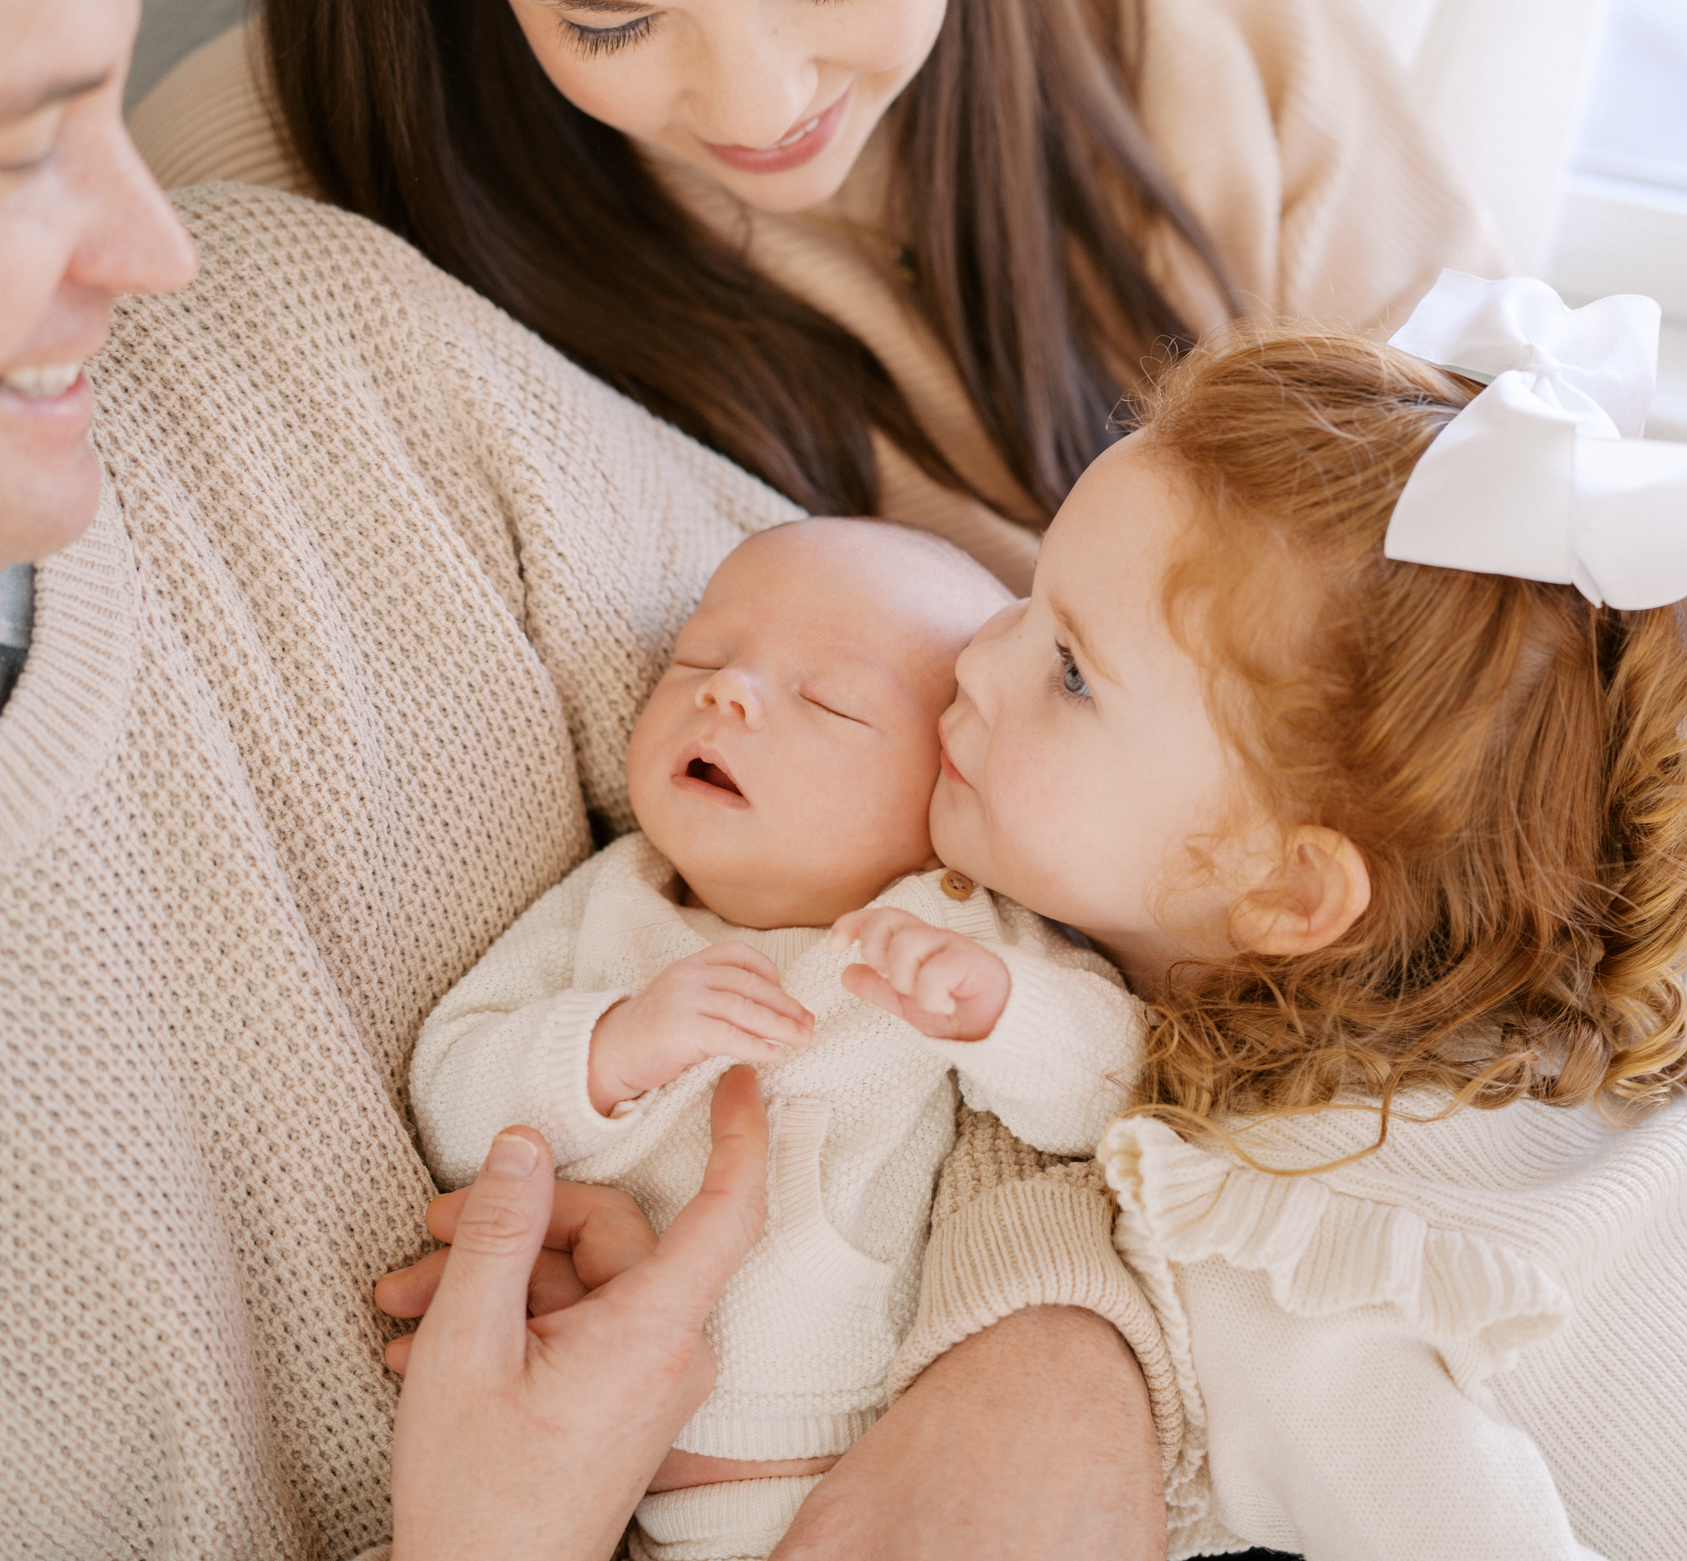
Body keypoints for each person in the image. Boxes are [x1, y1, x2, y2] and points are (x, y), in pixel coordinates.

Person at [128, 0, 1687, 1205]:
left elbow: (1464, 594)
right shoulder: (268, 194)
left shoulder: (1181, 39)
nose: (756, 85)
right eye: (614, 12)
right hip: (1053, 1067)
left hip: (1455, 856)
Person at [0, 2, 1168, 1555]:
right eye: (20, 151)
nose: (159, 242)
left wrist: (1044, 1361)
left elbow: (1120, 955)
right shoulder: (616, 915)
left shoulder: (306, 337)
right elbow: (486, 1076)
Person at [867, 289, 1687, 1557]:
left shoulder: (1288, 1248)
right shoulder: (1470, 1026)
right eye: (1030, 602)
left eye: (1068, 670)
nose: (969, 657)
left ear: (1291, 891)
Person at [411, 518, 1146, 1558]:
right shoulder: (614, 902)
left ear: (949, 779)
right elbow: (449, 1089)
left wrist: (997, 1009)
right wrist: (614, 1046)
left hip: (837, 1478)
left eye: (828, 700)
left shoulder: (950, 928)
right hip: (572, 1475)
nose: (726, 692)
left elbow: (1113, 1098)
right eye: (699, 658)